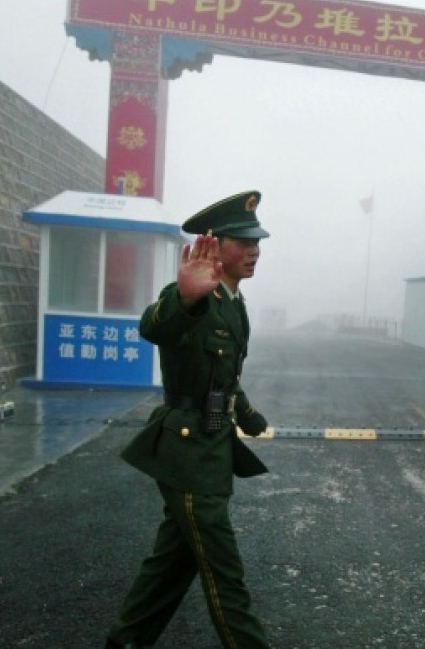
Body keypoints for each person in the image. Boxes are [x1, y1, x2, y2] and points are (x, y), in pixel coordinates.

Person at [106, 191, 273, 649]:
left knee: (173, 562)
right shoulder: (193, 296)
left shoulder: (233, 301)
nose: (254, 249)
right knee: (224, 573)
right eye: (243, 241)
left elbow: (221, 376)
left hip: (211, 447)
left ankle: (125, 641)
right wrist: (183, 297)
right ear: (214, 245)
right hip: (187, 449)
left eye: (257, 240)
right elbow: (153, 326)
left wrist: (246, 412)